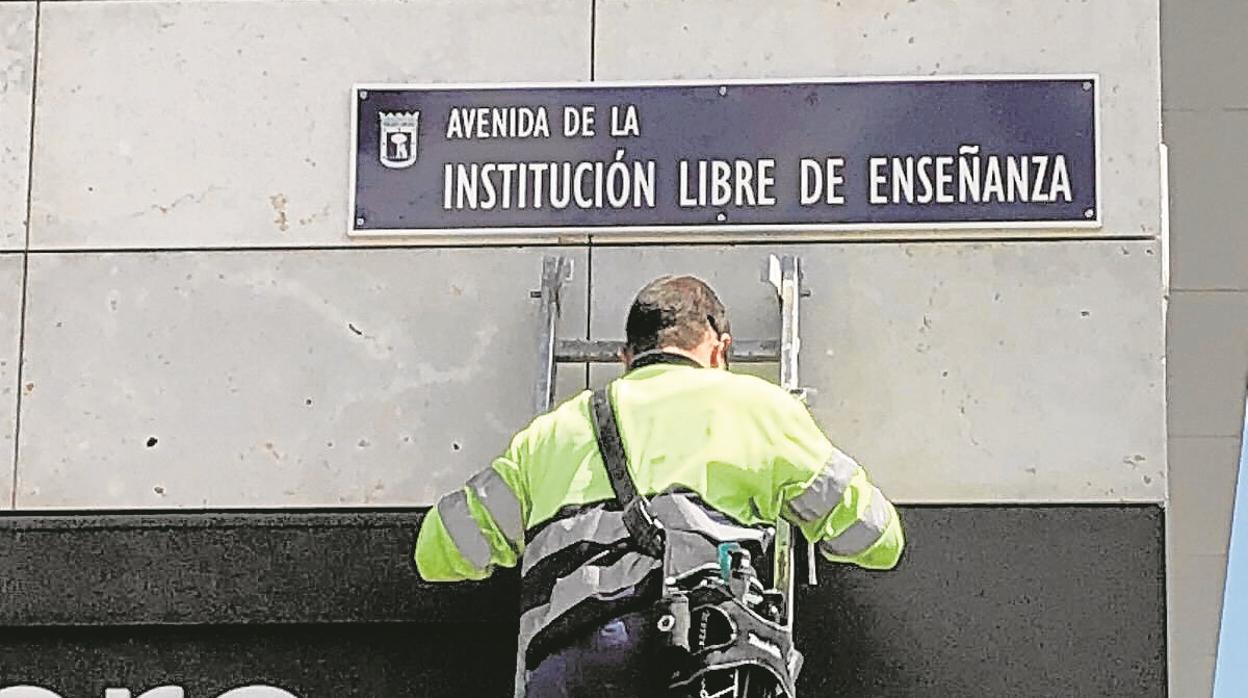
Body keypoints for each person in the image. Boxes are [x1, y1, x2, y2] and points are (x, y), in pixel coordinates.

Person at [414, 275, 905, 697]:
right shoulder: (759, 409)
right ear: (720, 350)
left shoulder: (550, 434)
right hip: (698, 664)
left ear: (626, 357)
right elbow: (877, 538)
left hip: (569, 671)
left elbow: (436, 552)